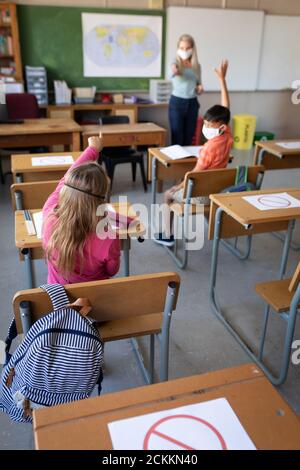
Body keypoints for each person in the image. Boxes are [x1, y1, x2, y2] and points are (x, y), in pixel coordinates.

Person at [155, 59, 233, 247]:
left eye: (208, 125)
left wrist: (177, 187)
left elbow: (194, 175)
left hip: (202, 193)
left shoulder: (208, 148)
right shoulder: (227, 136)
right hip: (217, 188)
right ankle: (216, 228)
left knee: (168, 195)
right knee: (203, 189)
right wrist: (223, 80)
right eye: (204, 124)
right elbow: (226, 108)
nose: (205, 127)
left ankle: (167, 235)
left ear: (220, 127)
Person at [43, 133, 121, 284]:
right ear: (102, 198)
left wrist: (92, 149)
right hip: (96, 299)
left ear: (66, 189)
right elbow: (112, 270)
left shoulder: (49, 215)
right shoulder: (108, 236)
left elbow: (66, 179)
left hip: (59, 299)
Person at [169, 34, 203, 146]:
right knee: (177, 137)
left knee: (189, 137)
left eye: (187, 48)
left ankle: (186, 163)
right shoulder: (175, 63)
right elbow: (173, 72)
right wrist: (175, 71)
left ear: (192, 49)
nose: (185, 51)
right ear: (178, 49)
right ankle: (176, 163)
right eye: (182, 48)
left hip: (192, 103)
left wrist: (200, 88)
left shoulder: (197, 66)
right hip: (177, 103)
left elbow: (198, 84)